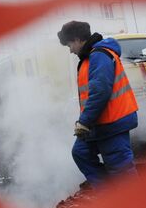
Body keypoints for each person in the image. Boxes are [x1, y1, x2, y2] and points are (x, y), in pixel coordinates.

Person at [58, 21, 139, 187]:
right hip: (100, 123)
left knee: (120, 168)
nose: (71, 51)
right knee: (80, 152)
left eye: (69, 45)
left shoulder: (99, 55)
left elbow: (100, 91)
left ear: (78, 39)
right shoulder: (90, 57)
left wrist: (84, 122)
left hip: (112, 123)